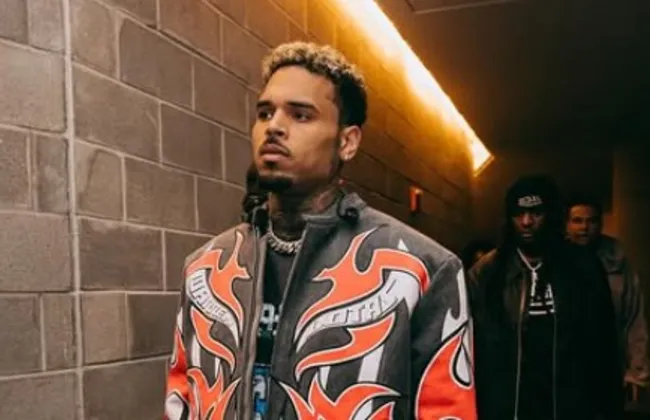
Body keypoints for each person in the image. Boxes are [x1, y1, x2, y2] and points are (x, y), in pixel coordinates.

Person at [164, 42, 477, 420]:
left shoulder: (420, 270)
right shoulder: (205, 269)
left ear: (347, 142)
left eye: (300, 115)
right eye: (265, 113)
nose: (274, 127)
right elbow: (180, 401)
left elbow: (447, 411)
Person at [468, 175, 622, 419]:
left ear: (551, 215)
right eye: (519, 214)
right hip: (509, 406)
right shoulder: (488, 272)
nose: (526, 222)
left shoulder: (582, 267)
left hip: (570, 405)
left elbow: (603, 345)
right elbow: (474, 346)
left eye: (536, 213)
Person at [566, 195, 649, 394]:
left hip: (608, 362)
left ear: (601, 224)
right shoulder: (553, 260)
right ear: (566, 225)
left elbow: (635, 320)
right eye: (577, 221)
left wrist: (637, 373)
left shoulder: (617, 261)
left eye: (591, 221)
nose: (584, 228)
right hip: (566, 366)